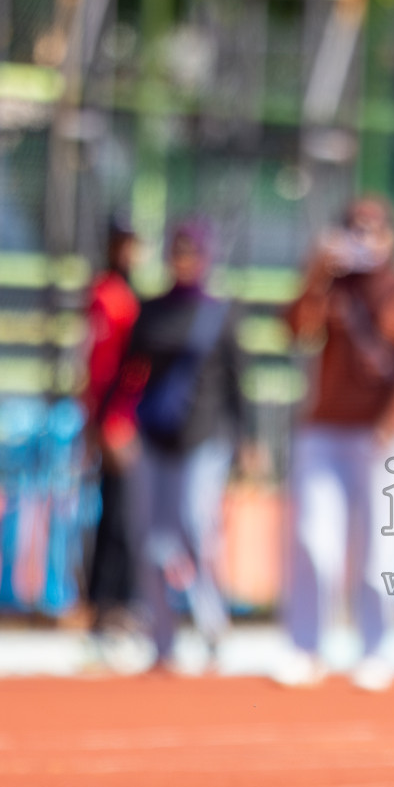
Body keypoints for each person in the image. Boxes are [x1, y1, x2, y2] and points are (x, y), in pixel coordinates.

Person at [275, 196, 394, 691]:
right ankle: (305, 648)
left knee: (381, 551)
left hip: (385, 438)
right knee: (312, 540)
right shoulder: (332, 285)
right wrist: (315, 270)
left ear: (391, 237)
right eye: (353, 228)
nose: (363, 238)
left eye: (372, 229)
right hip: (325, 430)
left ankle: (378, 648)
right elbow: (295, 328)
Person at [107, 220, 248, 672]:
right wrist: (114, 420)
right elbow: (129, 372)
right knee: (150, 538)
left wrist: (249, 438)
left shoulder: (219, 313)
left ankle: (211, 628)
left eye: (193, 251)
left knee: (194, 528)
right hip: (153, 436)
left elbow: (236, 381)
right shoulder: (151, 312)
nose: (184, 259)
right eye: (178, 250)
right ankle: (162, 640)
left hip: (203, 438)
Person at [82, 214, 140, 641]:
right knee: (115, 515)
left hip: (133, 420)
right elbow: (100, 365)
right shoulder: (107, 296)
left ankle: (118, 602)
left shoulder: (130, 294)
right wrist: (101, 423)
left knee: (127, 514)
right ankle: (106, 603)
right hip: (115, 421)